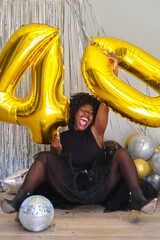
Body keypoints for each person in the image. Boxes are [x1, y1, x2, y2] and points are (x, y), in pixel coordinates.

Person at [0, 53, 158, 215]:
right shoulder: (61, 137)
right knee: (45, 157)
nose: (87, 115)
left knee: (122, 153)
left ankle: (138, 198)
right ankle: (18, 202)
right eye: (83, 110)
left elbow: (106, 101)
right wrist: (55, 150)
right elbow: (56, 168)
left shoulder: (96, 132)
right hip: (69, 188)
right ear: (74, 112)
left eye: (91, 113)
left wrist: (113, 74)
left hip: (99, 186)